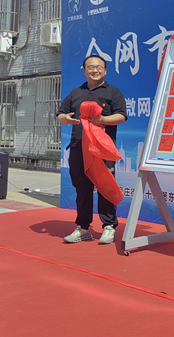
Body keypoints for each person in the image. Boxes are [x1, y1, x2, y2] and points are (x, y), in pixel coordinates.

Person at [57, 55, 128, 244]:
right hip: (78, 148)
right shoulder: (75, 93)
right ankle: (83, 228)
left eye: (98, 67)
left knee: (105, 186)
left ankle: (109, 226)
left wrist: (103, 120)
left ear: (105, 70)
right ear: (84, 70)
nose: (94, 70)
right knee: (82, 189)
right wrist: (66, 119)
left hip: (102, 150)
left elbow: (121, 116)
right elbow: (60, 115)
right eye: (90, 67)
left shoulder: (113, 92)